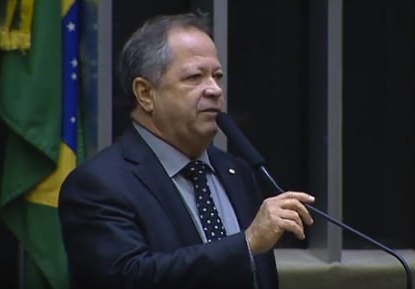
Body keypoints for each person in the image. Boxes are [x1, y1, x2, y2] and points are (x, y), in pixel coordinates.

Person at [58, 12, 315, 289]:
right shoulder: (99, 184)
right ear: (145, 93)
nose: (215, 90)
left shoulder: (238, 172)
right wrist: (246, 243)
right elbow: (126, 277)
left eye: (217, 76)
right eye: (195, 77)